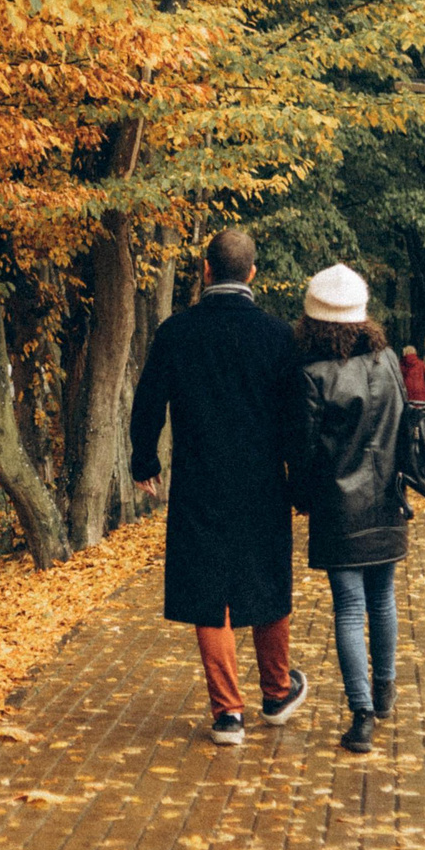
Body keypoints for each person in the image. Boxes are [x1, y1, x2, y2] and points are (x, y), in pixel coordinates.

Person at [129, 227, 308, 746]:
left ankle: (229, 713)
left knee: (210, 592)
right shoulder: (278, 337)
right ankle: (276, 693)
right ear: (252, 273)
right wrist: (300, 485)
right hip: (263, 482)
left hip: (199, 480)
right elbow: (298, 419)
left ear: (206, 270)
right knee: (268, 580)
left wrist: (145, 462)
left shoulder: (176, 332)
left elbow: (147, 404)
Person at [289, 264, 409, 754]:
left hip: (339, 507)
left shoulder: (313, 375)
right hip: (388, 501)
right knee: (382, 599)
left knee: (350, 607)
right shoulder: (389, 362)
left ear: (314, 321)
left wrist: (302, 495)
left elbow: (302, 448)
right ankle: (385, 687)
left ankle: (361, 714)